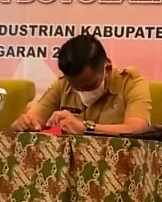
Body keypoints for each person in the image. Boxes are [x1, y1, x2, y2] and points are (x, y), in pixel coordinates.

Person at [13, 34, 151, 136]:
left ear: (107, 68)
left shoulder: (131, 83)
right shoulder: (63, 84)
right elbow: (35, 119)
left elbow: (138, 130)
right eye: (76, 87)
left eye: (89, 85)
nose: (82, 92)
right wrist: (24, 124)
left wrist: (86, 128)